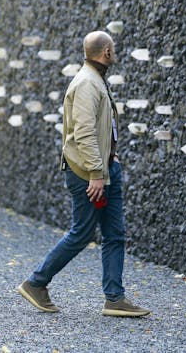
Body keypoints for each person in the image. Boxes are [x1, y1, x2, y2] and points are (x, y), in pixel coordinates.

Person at [17, 31, 150, 318]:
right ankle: (36, 283)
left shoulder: (94, 79)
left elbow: (101, 128)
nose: (114, 54)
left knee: (115, 234)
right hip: (89, 173)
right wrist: (96, 174)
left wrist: (109, 158)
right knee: (82, 233)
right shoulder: (87, 83)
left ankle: (114, 298)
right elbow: (84, 132)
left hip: (104, 168)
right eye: (113, 49)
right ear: (107, 52)